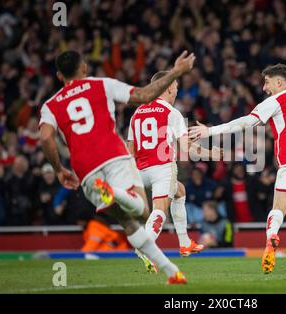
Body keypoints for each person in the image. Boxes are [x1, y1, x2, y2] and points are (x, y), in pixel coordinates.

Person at [39, 50, 195, 284]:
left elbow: (45, 138)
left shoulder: (50, 105)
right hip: (113, 155)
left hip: (85, 168)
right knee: (143, 210)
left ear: (60, 76)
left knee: (127, 222)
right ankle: (118, 193)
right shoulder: (101, 84)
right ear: (84, 68)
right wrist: (176, 71)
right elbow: (143, 95)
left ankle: (171, 272)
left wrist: (59, 169)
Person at [189, 64, 286, 273]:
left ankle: (272, 238)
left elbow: (248, 122)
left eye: (267, 82)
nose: (265, 88)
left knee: (278, 208)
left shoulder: (277, 99)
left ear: (279, 82)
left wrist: (210, 131)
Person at [127, 70, 221, 259]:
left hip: (140, 170)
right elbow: (189, 149)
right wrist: (212, 153)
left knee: (180, 191)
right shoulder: (172, 113)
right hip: (162, 169)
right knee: (160, 210)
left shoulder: (137, 113)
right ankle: (145, 246)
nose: (177, 91)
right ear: (168, 87)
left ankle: (185, 243)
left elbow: (130, 150)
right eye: (176, 87)